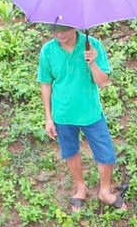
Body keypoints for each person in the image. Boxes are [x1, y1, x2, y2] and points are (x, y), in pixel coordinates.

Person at [38, 22, 123, 211]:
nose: (59, 34)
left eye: (65, 30)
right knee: (70, 152)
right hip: (62, 114)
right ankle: (80, 187)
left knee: (106, 154)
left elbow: (103, 83)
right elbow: (46, 84)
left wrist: (92, 63)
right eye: (55, 30)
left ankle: (105, 191)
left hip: (90, 112)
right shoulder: (48, 50)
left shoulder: (91, 46)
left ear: (75, 28)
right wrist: (48, 117)